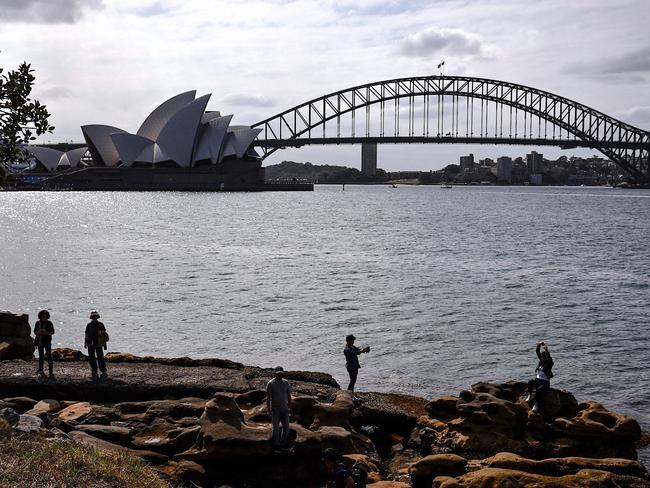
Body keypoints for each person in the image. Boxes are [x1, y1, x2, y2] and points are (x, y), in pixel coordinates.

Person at [266, 366, 292, 450]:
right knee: (276, 429)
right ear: (275, 374)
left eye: (281, 374)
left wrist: (290, 407)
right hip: (275, 410)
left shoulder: (286, 383)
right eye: (278, 374)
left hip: (284, 409)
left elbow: (288, 395)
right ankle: (276, 445)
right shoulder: (271, 383)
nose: (280, 376)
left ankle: (283, 443)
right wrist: (269, 410)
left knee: (286, 428)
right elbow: (268, 398)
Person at [526, 341, 554, 414]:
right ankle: (529, 396)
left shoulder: (549, 364)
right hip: (538, 380)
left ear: (545, 358)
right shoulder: (541, 362)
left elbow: (549, 358)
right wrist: (539, 345)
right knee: (530, 382)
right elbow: (537, 352)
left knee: (539, 391)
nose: (541, 358)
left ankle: (536, 405)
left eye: (543, 357)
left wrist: (546, 350)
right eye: (541, 357)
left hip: (545, 382)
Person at [85, 311, 108, 380]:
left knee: (100, 357)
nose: (94, 318)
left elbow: (104, 332)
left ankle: (103, 370)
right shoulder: (89, 325)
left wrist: (100, 332)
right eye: (93, 317)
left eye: (95, 316)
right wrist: (85, 343)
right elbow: (86, 335)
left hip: (99, 343)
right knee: (91, 357)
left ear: (97, 317)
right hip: (90, 343)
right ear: (92, 317)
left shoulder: (101, 324)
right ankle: (94, 370)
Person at [34, 310, 55, 378]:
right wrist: (39, 332)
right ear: (40, 316)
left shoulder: (49, 323)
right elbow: (35, 331)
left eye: (46, 317)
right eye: (43, 316)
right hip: (40, 342)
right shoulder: (37, 323)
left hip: (47, 342)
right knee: (41, 356)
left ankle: (51, 371)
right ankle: (40, 369)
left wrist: (45, 332)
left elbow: (52, 332)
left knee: (49, 356)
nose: (45, 318)